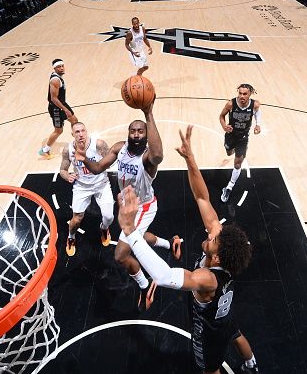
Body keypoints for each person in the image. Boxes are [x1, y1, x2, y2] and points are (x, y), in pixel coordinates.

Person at [117, 125, 259, 374]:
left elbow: (164, 276)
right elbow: (202, 198)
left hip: (209, 330)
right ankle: (251, 364)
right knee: (236, 335)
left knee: (210, 370)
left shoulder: (208, 279)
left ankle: (243, 366)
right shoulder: (221, 249)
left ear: (215, 257)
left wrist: (130, 232)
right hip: (224, 314)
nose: (212, 232)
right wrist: (190, 158)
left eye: (214, 239)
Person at [76, 98, 180, 310]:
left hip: (143, 207)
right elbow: (97, 168)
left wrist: (148, 114)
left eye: (140, 131)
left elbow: (159, 155)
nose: (136, 134)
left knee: (121, 254)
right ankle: (170, 244)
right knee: (138, 238)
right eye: (133, 130)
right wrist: (83, 158)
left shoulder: (147, 158)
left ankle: (145, 285)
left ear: (146, 134)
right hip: (127, 207)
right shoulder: (119, 148)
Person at [59, 122, 114, 257]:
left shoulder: (99, 145)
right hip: (81, 187)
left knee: (109, 216)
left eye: (83, 131)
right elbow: (62, 170)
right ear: (72, 134)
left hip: (101, 184)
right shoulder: (68, 150)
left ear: (87, 131)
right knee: (77, 219)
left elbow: (111, 160)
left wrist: (97, 166)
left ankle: (104, 228)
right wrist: (67, 176)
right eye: (77, 132)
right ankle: (71, 237)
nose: (81, 134)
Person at [219, 84, 261, 203]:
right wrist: (224, 126)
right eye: (240, 93)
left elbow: (257, 112)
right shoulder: (231, 104)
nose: (242, 96)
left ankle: (229, 187)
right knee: (228, 153)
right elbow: (221, 116)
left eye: (245, 94)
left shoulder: (255, 104)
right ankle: (233, 150)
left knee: (237, 164)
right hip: (231, 135)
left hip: (243, 137)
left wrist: (258, 124)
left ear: (250, 94)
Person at [39, 59, 78, 159]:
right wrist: (65, 109)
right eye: (59, 67)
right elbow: (53, 98)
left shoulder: (58, 77)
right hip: (56, 108)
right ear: (54, 68)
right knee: (58, 131)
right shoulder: (55, 80)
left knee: (74, 120)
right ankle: (45, 150)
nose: (61, 68)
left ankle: (78, 144)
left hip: (61, 104)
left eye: (62, 66)